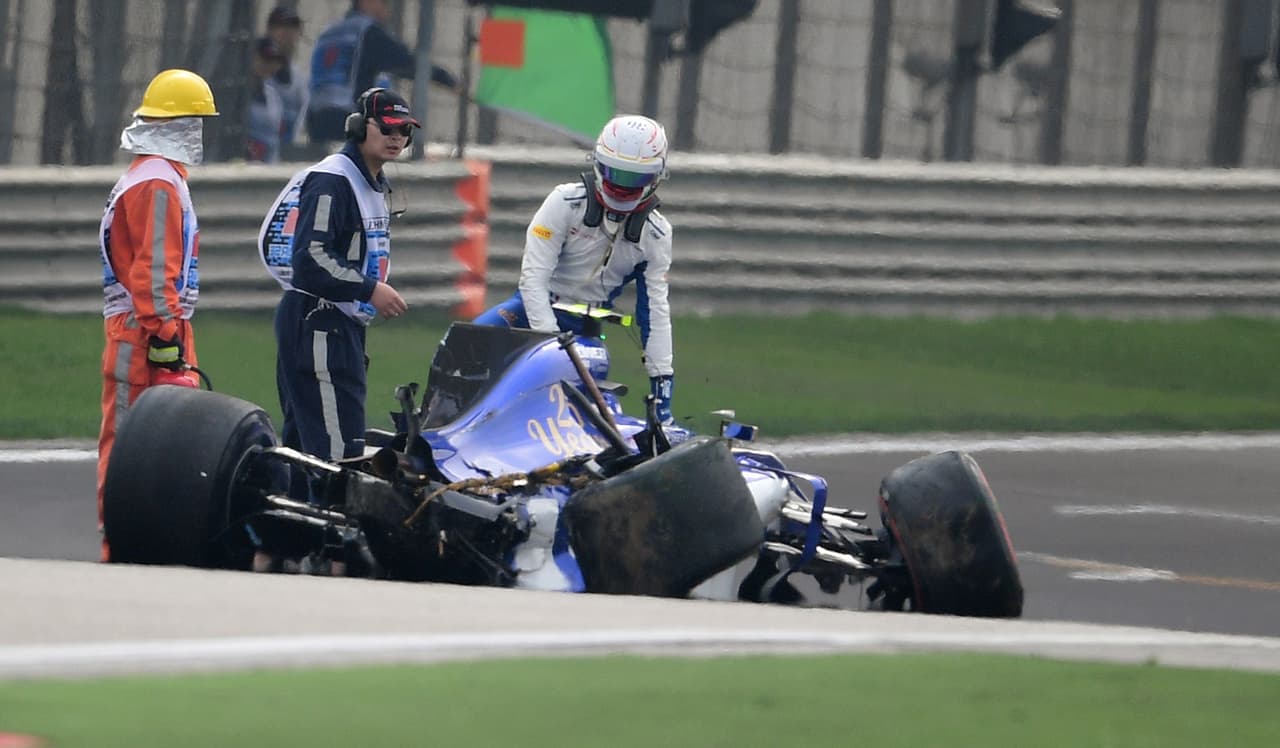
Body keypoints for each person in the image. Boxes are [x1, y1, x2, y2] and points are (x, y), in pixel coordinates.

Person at [258, 87, 414, 500]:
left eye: (404, 130)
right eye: (388, 128)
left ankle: (279, 550)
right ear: (361, 127)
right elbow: (309, 258)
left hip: (332, 324)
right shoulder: (334, 180)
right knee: (336, 454)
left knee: (302, 448)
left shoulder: (370, 181)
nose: (397, 137)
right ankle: (334, 555)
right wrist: (369, 289)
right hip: (319, 323)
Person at [473, 114, 677, 424]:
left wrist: (662, 385)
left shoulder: (656, 234)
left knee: (578, 415)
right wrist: (551, 345)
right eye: (615, 173)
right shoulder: (564, 202)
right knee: (469, 340)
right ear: (598, 163)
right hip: (529, 314)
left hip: (586, 333)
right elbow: (533, 279)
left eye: (633, 178)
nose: (622, 185)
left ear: (655, 176)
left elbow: (656, 313)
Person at [97, 69, 218, 560]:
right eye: (194, 123)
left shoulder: (154, 176)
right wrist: (166, 335)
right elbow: (153, 272)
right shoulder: (157, 184)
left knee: (162, 446)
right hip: (145, 335)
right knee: (131, 445)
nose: (198, 134)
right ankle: (118, 542)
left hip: (151, 330)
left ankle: (145, 540)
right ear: (175, 125)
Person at [305, 0, 457, 145]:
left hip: (315, 119)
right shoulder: (367, 31)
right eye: (384, 2)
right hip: (347, 117)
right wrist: (445, 78)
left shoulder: (329, 32)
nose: (387, 11)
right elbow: (406, 62)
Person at [263, 5, 308, 156]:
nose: (286, 33)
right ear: (270, 31)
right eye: (280, 27)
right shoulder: (257, 71)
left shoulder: (299, 79)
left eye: (292, 28)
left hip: (286, 153)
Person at [246, 37, 288, 162]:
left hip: (268, 163)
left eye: (274, 61)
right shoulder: (235, 93)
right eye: (265, 59)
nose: (270, 65)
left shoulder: (273, 96)